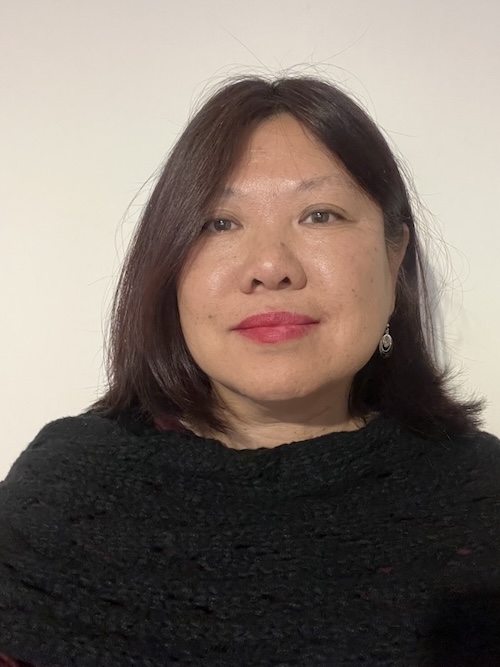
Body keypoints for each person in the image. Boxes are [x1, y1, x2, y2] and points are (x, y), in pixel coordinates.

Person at [0, 75, 499, 667]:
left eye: (320, 214)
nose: (269, 266)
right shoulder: (61, 495)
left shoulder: (482, 500)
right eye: (219, 223)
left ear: (394, 258)